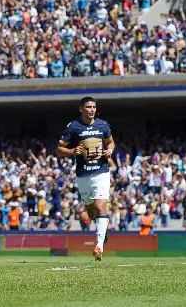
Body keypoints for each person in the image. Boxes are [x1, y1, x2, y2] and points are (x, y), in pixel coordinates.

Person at [57, 96, 115, 261]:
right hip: (83, 174)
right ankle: (103, 230)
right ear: (81, 109)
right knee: (90, 212)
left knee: (100, 206)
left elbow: (111, 143)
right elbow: (59, 149)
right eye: (89, 107)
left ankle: (99, 246)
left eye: (94, 107)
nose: (92, 110)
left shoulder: (102, 125)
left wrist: (110, 151)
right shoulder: (73, 126)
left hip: (101, 171)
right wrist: (71, 151)